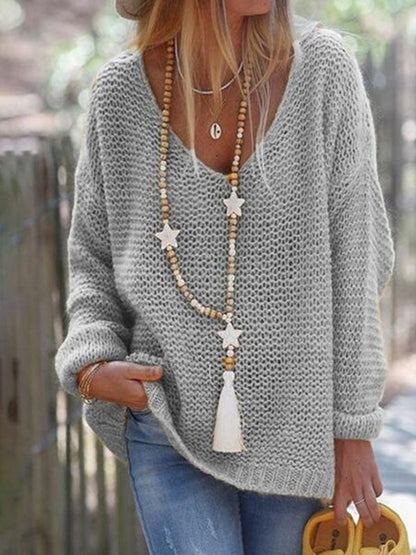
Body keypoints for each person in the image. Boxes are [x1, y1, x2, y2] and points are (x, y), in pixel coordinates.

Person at [55, 0, 396, 552]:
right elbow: (92, 257)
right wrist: (92, 363)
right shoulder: (120, 95)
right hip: (166, 420)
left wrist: (353, 428)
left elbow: (357, 261)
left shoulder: (323, 71)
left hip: (296, 426)